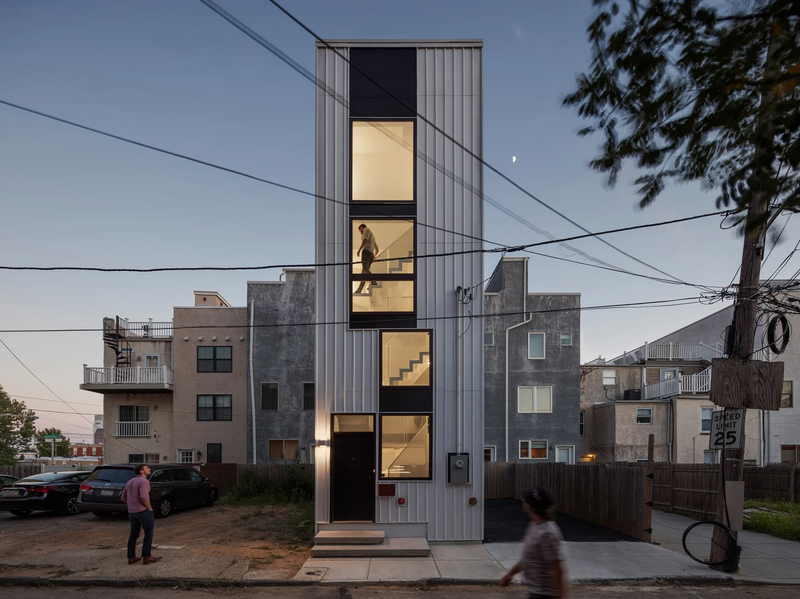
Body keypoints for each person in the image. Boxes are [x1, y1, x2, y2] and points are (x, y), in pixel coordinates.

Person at [499, 487, 567, 599]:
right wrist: (510, 574)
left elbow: (558, 571)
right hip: (535, 592)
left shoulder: (547, 534)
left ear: (532, 506)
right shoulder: (534, 525)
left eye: (525, 499)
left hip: (545, 595)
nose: (522, 501)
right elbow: (528, 557)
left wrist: (559, 596)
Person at [121, 463, 161, 565]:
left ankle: (131, 557)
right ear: (142, 471)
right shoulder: (144, 481)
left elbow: (123, 497)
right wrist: (149, 508)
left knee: (134, 534)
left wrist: (132, 504)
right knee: (148, 533)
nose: (149, 469)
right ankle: (147, 556)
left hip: (132, 512)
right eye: (147, 468)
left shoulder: (130, 481)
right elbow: (144, 497)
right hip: (143, 511)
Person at [355, 223, 379, 293]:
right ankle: (359, 290)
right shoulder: (373, 237)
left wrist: (359, 250)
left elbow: (365, 240)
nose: (360, 233)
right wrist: (373, 256)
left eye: (360, 231)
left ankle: (374, 282)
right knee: (364, 272)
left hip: (366, 252)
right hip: (371, 253)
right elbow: (377, 249)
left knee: (365, 270)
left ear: (361, 228)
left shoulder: (366, 229)